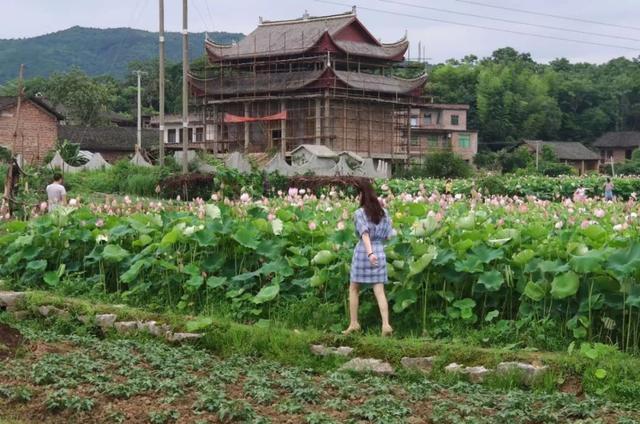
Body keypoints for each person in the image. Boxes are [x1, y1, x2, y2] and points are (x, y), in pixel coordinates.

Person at [343, 180, 394, 337]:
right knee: (379, 290)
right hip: (379, 251)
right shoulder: (384, 213)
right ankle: (386, 325)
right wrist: (376, 250)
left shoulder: (360, 213)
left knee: (354, 288)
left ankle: (354, 323)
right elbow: (388, 236)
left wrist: (370, 253)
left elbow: (364, 233)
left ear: (361, 195)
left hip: (364, 253)